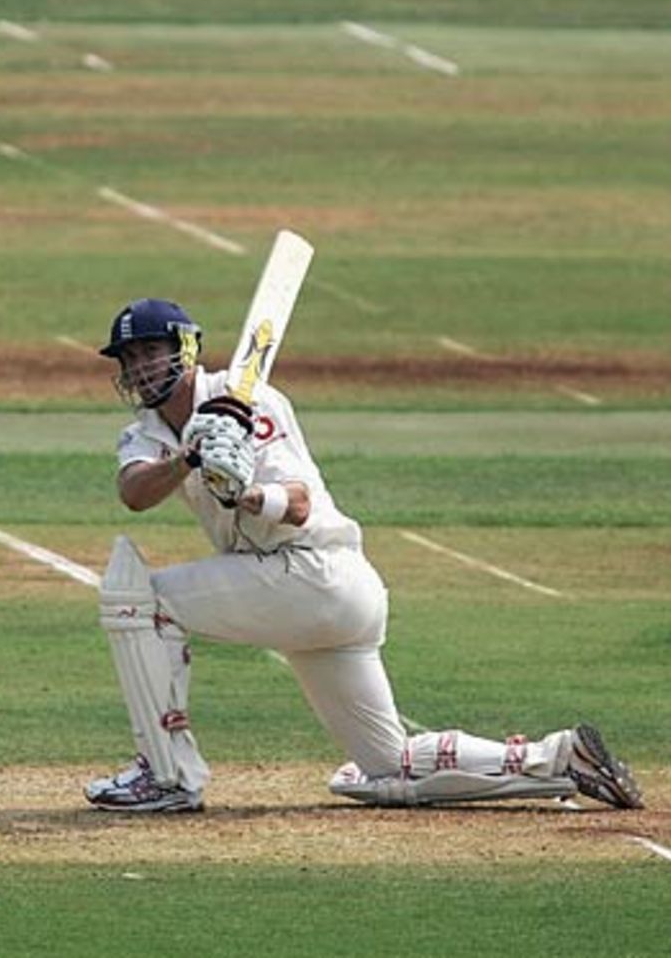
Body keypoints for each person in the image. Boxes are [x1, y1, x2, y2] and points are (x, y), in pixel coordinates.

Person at [84, 297, 642, 811]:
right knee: (384, 768)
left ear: (184, 350)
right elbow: (135, 493)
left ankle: (166, 775)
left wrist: (247, 493)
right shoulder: (150, 432)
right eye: (129, 358)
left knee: (139, 599)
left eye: (150, 352)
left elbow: (299, 505)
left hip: (314, 573)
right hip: (305, 599)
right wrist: (190, 457)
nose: (139, 368)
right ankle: (564, 758)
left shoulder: (248, 398)